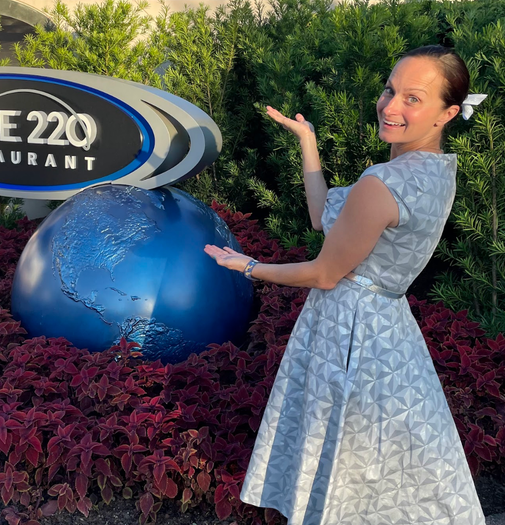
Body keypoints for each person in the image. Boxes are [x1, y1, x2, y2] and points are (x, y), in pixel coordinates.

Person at [205, 45, 486, 524]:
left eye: (413, 98)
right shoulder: (438, 172)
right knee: (393, 463)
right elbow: (324, 219)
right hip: (391, 332)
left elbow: (324, 272)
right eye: (390, 89)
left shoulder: (384, 183)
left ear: (448, 113)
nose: (391, 106)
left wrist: (249, 266)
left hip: (350, 329)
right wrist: (307, 141)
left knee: (343, 450)